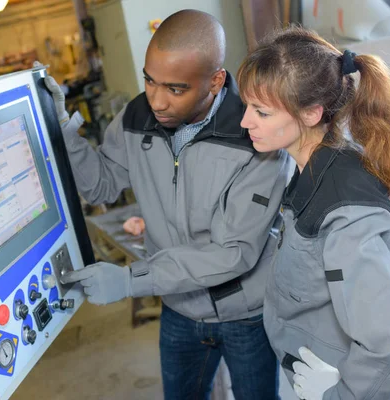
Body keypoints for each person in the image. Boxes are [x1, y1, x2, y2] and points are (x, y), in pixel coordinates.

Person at [46, 9, 290, 400]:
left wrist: (131, 280)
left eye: (175, 89)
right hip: (179, 308)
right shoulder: (135, 117)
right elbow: (101, 186)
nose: (157, 100)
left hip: (246, 314)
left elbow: (233, 255)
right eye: (149, 80)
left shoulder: (254, 138)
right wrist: (60, 126)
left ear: (215, 80)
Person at [236, 27, 390, 400]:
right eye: (247, 107)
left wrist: (341, 394)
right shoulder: (315, 168)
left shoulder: (343, 206)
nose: (245, 122)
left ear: (311, 113)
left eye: (260, 111)